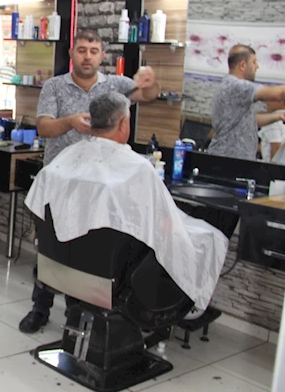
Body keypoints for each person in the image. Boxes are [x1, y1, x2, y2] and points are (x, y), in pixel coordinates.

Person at [25, 92, 228, 314]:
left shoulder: (65, 159)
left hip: (62, 262)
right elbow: (163, 224)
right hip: (110, 271)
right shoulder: (137, 168)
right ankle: (182, 310)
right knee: (210, 237)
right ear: (124, 124)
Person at [19, 29, 161, 333]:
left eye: (94, 51)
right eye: (82, 50)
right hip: (60, 182)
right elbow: (43, 127)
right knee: (50, 247)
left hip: (97, 188)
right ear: (72, 53)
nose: (88, 56)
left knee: (83, 253)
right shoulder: (55, 86)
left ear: (102, 55)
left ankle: (76, 312)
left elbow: (147, 96)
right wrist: (69, 122)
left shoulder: (117, 85)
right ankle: (40, 308)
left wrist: (150, 82)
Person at [208, 45, 285, 160]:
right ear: (243, 65)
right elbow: (278, 94)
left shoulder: (234, 88)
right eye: (254, 62)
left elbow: (250, 120)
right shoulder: (235, 86)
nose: (257, 67)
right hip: (227, 161)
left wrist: (278, 116)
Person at [258, 98, 285, 162]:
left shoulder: (272, 122)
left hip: (272, 165)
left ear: (280, 101)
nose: (266, 102)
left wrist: (273, 169)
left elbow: (276, 146)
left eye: (270, 99)